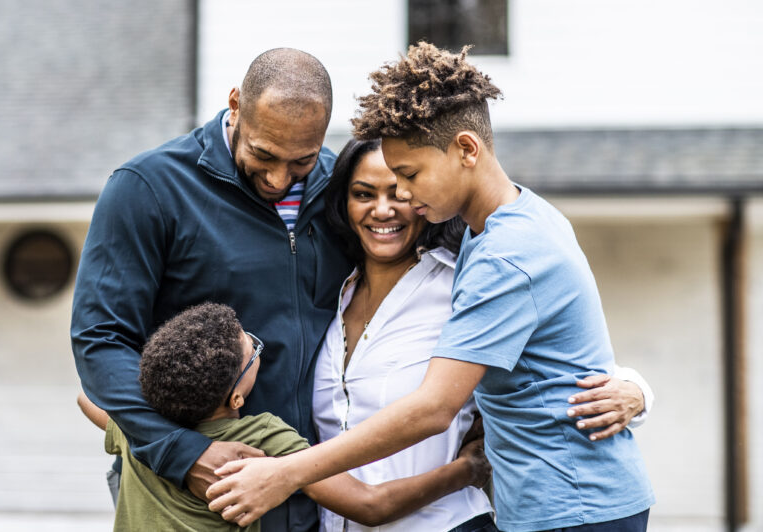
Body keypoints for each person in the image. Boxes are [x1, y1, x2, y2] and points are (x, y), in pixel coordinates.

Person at [207, 42, 655, 532]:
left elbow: (434, 408)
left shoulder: (504, 255)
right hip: (553, 503)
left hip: (574, 507)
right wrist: (636, 388)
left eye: (409, 174)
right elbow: (557, 357)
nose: (400, 194)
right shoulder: (515, 226)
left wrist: (285, 472)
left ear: (466, 149)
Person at [71, 47, 354, 531]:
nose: (278, 178)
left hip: (313, 498)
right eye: (263, 154)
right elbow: (101, 341)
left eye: (301, 161)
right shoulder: (148, 188)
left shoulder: (345, 191)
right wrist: (184, 452)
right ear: (235, 105)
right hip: (189, 495)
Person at [311, 139, 653, 532]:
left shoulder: (467, 278)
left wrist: (635, 388)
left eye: (403, 186)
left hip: (460, 521)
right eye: (364, 194)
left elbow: (555, 349)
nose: (386, 207)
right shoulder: (328, 293)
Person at [77, 302, 491, 531]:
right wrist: (467, 469)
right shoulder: (260, 436)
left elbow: (87, 400)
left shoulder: (140, 430)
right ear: (237, 397)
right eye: (252, 351)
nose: (258, 349)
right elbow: (369, 505)